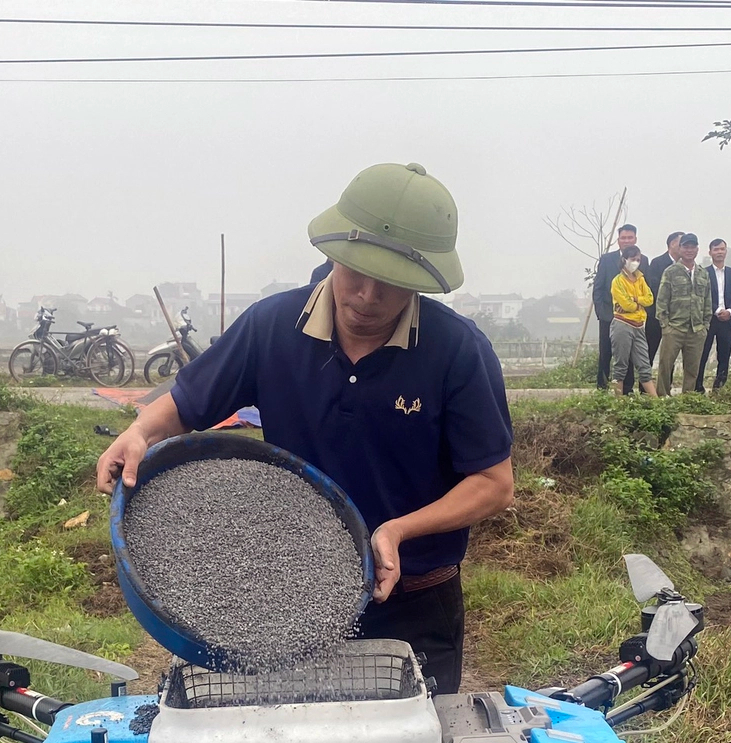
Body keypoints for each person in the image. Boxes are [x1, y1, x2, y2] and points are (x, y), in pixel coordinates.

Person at [94, 162, 511, 694]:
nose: (365, 295)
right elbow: (185, 403)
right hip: (280, 597)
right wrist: (140, 433)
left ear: (421, 280)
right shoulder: (272, 326)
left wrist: (397, 531)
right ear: (332, 253)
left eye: (389, 285)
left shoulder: (458, 351)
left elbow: (494, 484)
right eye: (353, 272)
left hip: (413, 604)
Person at [653, 233, 711, 396]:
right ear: (680, 249)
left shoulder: (702, 273)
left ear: (697, 249)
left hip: (696, 329)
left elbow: (707, 300)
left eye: (693, 247)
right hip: (674, 328)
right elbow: (662, 300)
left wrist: (705, 325)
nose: (689, 250)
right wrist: (666, 326)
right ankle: (662, 398)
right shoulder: (670, 272)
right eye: (686, 247)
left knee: (692, 368)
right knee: (666, 365)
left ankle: (688, 400)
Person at [592, 223, 639, 390]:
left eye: (630, 238)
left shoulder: (641, 260)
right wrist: (601, 313)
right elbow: (598, 287)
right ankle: (602, 388)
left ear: (635, 239)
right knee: (605, 353)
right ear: (618, 240)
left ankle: (627, 389)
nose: (626, 241)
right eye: (623, 238)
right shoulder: (607, 259)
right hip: (608, 316)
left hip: (631, 318)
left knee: (629, 354)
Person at [608, 245, 657, 396]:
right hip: (622, 324)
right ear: (624, 260)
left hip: (639, 325)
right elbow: (626, 305)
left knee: (644, 365)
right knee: (621, 366)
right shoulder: (617, 281)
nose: (635, 262)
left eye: (638, 259)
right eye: (632, 259)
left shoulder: (640, 278)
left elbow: (650, 299)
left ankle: (656, 402)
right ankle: (618, 402)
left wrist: (635, 299)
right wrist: (636, 304)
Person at [695, 238, 731, 391]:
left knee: (724, 356)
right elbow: (701, 296)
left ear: (726, 251)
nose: (719, 252)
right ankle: (697, 387)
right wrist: (717, 310)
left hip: (727, 321)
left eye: (722, 249)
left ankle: (719, 388)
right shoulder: (703, 272)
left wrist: (730, 311)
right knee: (702, 355)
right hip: (709, 320)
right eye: (716, 249)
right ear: (710, 252)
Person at [644, 231, 678, 363]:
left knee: (671, 353)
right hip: (657, 315)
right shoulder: (657, 263)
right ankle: (644, 382)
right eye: (682, 243)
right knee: (650, 350)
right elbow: (654, 287)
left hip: (677, 317)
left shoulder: (686, 265)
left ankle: (666, 383)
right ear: (672, 244)